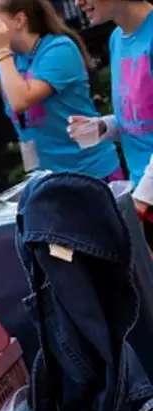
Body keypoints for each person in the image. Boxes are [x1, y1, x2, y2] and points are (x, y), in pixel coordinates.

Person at [0, 0, 122, 179]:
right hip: (49, 175)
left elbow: (20, 101)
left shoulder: (58, 49)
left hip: (91, 171)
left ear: (19, 20)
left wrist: (1, 51)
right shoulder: (12, 60)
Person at [70, 0, 153, 236]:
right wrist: (102, 126)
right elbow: (138, 119)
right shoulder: (117, 39)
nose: (78, 2)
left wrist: (140, 203)